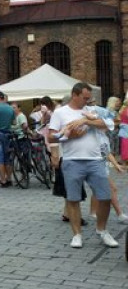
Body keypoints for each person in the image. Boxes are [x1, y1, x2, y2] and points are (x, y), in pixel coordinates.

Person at [48, 83, 118, 250]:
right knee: (73, 199)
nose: (88, 100)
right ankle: (77, 235)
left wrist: (87, 120)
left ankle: (102, 230)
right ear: (75, 95)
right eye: (85, 98)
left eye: (89, 98)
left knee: (105, 197)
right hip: (72, 160)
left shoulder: (92, 110)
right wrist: (68, 136)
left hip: (95, 160)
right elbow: (51, 137)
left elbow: (110, 123)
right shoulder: (60, 112)